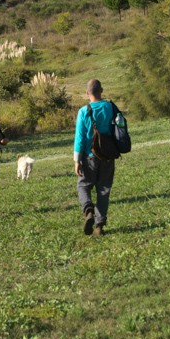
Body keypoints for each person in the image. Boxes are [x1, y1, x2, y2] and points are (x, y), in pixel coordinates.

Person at [73, 78, 118, 237]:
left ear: (87, 93)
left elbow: (79, 138)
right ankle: (99, 226)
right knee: (103, 189)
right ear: (102, 90)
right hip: (107, 155)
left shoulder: (84, 111)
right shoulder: (110, 107)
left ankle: (88, 209)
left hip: (89, 156)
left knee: (83, 185)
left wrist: (76, 160)